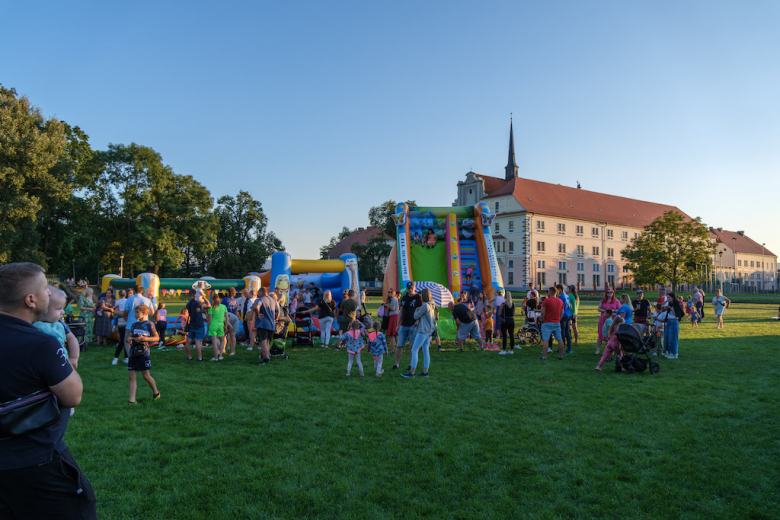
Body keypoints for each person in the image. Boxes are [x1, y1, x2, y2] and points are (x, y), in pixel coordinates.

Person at [0, 262, 96, 518]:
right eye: (45, 289)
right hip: (36, 461)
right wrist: (68, 361)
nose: (50, 293)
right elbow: (73, 395)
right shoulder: (40, 343)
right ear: (30, 300)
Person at [33, 286, 80, 369]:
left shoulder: (60, 324)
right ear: (43, 310)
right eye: (59, 309)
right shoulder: (33, 325)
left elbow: (71, 339)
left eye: (63, 308)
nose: (63, 312)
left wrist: (73, 357)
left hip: (62, 362)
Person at [127, 305, 161, 403]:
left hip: (144, 353)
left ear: (144, 313)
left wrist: (144, 339)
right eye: (135, 312)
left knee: (145, 375)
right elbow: (129, 337)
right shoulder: (134, 325)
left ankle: (155, 392)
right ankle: (132, 400)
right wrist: (129, 339)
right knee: (131, 375)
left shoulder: (149, 324)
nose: (136, 314)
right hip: (133, 352)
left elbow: (157, 338)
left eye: (138, 312)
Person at [402, 288, 437, 378]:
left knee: (414, 350)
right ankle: (425, 372)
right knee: (426, 350)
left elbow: (415, 316)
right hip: (429, 330)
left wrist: (416, 310)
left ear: (423, 296)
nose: (420, 297)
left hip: (422, 330)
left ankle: (412, 372)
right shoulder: (432, 305)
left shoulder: (425, 306)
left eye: (421, 295)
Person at [393, 283, 421, 368]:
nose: (410, 290)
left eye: (411, 288)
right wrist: (398, 324)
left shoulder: (418, 298)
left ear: (414, 288)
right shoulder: (404, 298)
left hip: (413, 325)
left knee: (412, 346)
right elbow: (401, 311)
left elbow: (421, 311)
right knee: (399, 345)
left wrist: (417, 320)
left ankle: (411, 364)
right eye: (408, 288)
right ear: (407, 288)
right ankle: (396, 364)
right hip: (403, 325)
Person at [252, 287, 280, 365]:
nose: (258, 294)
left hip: (263, 324)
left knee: (263, 343)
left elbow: (256, 307)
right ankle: (267, 357)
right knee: (267, 342)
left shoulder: (260, 299)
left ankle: (266, 360)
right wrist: (275, 319)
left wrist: (257, 314)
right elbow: (278, 311)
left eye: (258, 292)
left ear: (261, 292)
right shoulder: (273, 301)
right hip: (272, 325)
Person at [124, 285, 154, 353]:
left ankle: (131, 357)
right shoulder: (147, 300)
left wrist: (123, 316)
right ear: (142, 291)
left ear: (133, 291)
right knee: (143, 342)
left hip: (131, 324)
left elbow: (126, 312)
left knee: (127, 341)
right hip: (144, 325)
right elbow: (152, 313)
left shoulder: (129, 299)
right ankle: (143, 355)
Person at [184, 289, 210, 361]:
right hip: (199, 324)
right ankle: (200, 358)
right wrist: (204, 297)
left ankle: (189, 357)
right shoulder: (197, 302)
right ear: (195, 294)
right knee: (198, 341)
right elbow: (209, 305)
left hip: (192, 324)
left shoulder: (188, 303)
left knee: (188, 341)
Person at [540, 286, 564, 360]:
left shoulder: (546, 301)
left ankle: (544, 356)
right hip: (556, 322)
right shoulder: (560, 301)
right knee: (559, 339)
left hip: (547, 322)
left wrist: (541, 319)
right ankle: (561, 356)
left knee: (546, 340)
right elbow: (562, 312)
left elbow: (543, 312)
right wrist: (558, 319)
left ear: (550, 292)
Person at [596, 288, 621, 355]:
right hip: (603, 318)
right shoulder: (603, 300)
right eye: (608, 292)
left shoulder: (616, 301)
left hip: (612, 319)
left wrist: (613, 311)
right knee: (601, 333)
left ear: (613, 293)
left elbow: (619, 310)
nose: (609, 294)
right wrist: (606, 311)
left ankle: (611, 350)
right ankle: (597, 350)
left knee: (611, 333)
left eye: (611, 292)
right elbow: (599, 309)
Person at [207, 294, 230, 361]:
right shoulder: (223, 307)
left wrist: (208, 327)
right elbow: (226, 317)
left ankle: (215, 357)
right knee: (222, 340)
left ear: (213, 300)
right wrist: (225, 326)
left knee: (214, 342)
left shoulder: (212, 308)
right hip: (221, 325)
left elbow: (209, 320)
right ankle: (220, 355)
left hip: (213, 325)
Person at [112, 289, 129, 365]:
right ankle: (126, 357)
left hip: (121, 320)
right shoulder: (128, 301)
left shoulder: (118, 301)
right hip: (127, 320)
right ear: (126, 294)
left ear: (119, 295)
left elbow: (114, 309)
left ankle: (116, 357)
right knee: (125, 340)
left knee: (122, 340)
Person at [221, 287, 241, 356]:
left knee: (224, 334)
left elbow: (221, 309)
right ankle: (232, 351)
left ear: (228, 292)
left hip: (227, 317)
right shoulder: (236, 301)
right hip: (234, 318)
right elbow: (236, 311)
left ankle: (223, 349)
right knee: (232, 335)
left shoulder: (224, 300)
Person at [663, 290, 682, 359]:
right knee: (667, 338)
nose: (667, 299)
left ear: (672, 298)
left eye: (668, 297)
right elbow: (662, 308)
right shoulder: (669, 304)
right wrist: (665, 304)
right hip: (668, 321)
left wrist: (670, 308)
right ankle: (668, 352)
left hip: (674, 321)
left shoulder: (676, 304)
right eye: (667, 297)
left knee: (673, 338)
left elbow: (677, 315)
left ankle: (674, 354)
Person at [557, 284, 573, 353]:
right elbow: (570, 306)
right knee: (567, 332)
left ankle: (562, 348)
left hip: (563, 316)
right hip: (568, 315)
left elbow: (559, 308)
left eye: (557, 290)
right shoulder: (567, 296)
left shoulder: (561, 297)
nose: (557, 291)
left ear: (560, 289)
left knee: (562, 332)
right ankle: (569, 348)